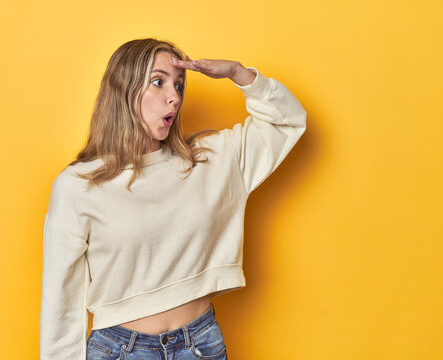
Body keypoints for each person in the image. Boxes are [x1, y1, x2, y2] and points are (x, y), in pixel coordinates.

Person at [40, 38, 306, 360]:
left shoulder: (211, 160)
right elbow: (61, 302)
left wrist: (238, 73)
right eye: (158, 82)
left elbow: (287, 120)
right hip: (121, 351)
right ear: (124, 90)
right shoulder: (77, 186)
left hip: (201, 344)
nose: (174, 98)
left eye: (179, 85)